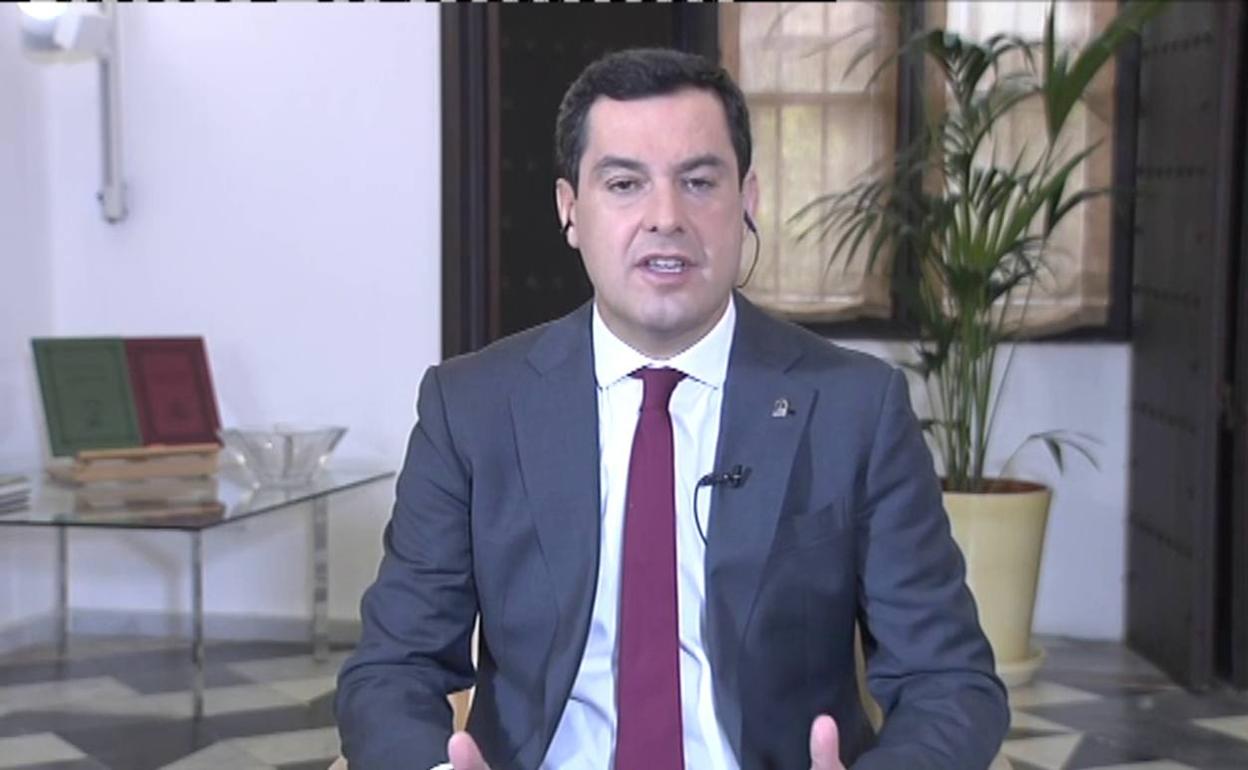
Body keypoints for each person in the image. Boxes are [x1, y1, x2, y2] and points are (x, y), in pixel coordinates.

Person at [336, 47, 1008, 770]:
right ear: (570, 210)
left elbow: (951, 682)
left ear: (747, 201)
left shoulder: (855, 408)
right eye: (624, 183)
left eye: (698, 182)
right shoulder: (472, 407)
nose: (665, 217)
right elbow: (393, 669)